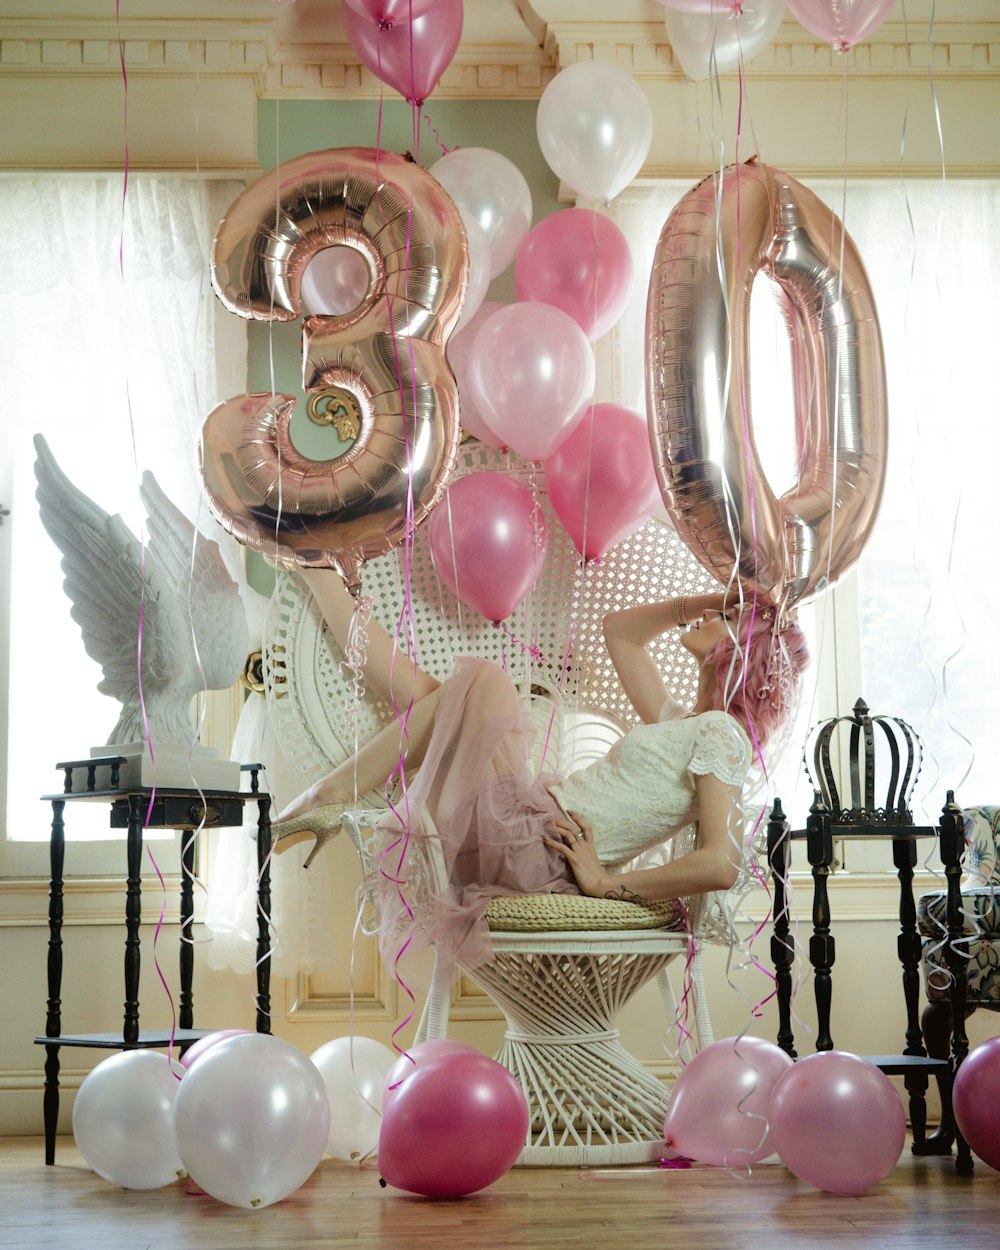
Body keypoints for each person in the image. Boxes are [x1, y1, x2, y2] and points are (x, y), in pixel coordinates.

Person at [270, 568, 809, 968]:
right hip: (525, 830)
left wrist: (603, 883)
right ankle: (325, 593)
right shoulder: (681, 722)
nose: (714, 614)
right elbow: (620, 631)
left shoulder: (722, 735)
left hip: (538, 852)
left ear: (745, 653)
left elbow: (721, 863)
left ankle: (328, 794)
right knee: (443, 697)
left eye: (730, 618)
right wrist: (707, 599)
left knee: (479, 682)